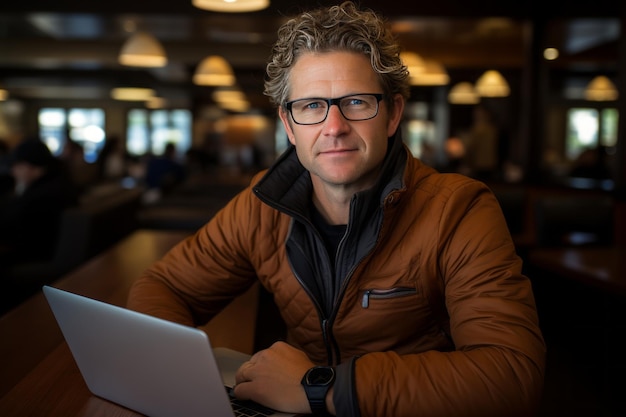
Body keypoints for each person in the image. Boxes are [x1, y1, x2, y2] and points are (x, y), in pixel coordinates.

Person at [127, 2, 546, 416]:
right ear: (289, 126)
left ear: (393, 113)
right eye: (311, 106)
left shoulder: (458, 210)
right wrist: (184, 382)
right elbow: (164, 288)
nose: (334, 126)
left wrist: (321, 388)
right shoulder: (261, 205)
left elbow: (510, 375)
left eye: (357, 102)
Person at [0, 138, 79, 275]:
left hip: (33, 258)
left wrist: (20, 189)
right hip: (45, 253)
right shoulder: (60, 183)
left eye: (16, 166)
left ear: (30, 167)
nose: (13, 172)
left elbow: (8, 226)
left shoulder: (40, 196)